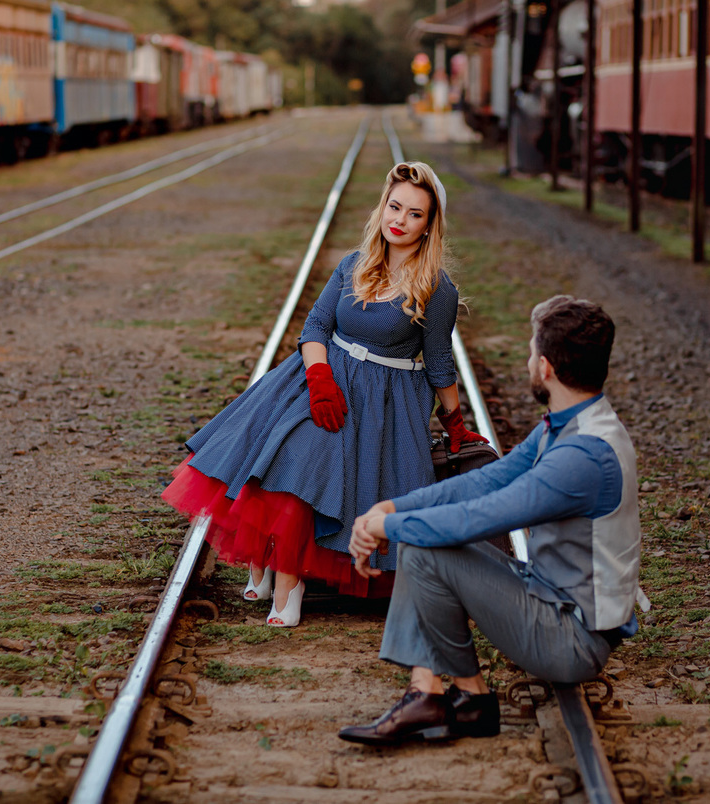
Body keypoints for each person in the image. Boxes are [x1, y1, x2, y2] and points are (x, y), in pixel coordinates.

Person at [163, 162, 486, 627]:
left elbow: (438, 363)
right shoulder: (353, 264)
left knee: (311, 466)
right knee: (284, 452)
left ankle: (286, 582)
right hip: (321, 377)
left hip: (382, 399)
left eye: (415, 214)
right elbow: (316, 327)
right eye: (394, 207)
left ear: (429, 225)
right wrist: (319, 379)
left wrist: (454, 423)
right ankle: (273, 565)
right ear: (382, 207)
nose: (400, 220)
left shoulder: (438, 290)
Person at [339, 295, 647, 745]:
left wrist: (384, 529)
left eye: (529, 351)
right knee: (424, 537)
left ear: (545, 367)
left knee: (426, 547)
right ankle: (458, 699)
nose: (527, 360)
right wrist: (394, 509)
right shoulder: (570, 425)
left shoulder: (582, 457)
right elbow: (483, 482)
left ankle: (444, 696)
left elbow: (480, 517)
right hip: (552, 602)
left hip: (572, 639)